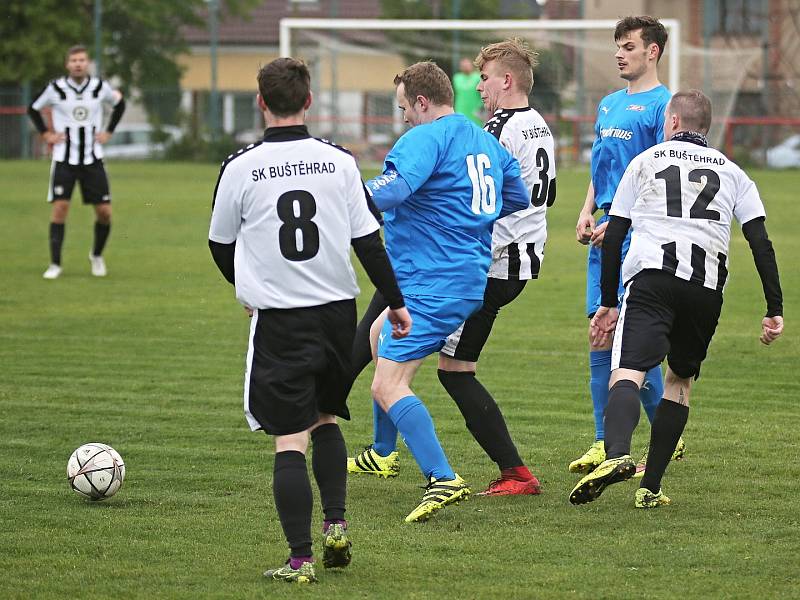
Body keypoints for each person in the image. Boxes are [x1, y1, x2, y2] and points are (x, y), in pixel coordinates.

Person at [208, 57, 411, 583]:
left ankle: (300, 560)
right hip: (336, 315)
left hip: (280, 319)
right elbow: (368, 239)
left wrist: (245, 288)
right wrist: (394, 300)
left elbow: (219, 243)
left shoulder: (239, 167)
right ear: (309, 101)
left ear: (260, 102)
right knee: (325, 417)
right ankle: (336, 526)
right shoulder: (339, 162)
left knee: (288, 438)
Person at [569, 89, 783, 508]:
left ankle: (616, 455)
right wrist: (773, 308)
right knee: (679, 381)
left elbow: (614, 236)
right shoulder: (734, 172)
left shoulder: (646, 161)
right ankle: (650, 488)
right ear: (706, 126)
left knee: (627, 370)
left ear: (671, 122)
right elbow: (760, 242)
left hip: (652, 278)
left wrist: (609, 301)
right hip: (705, 289)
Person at [350, 61, 530, 523]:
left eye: (405, 108)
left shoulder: (424, 138)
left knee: (388, 384)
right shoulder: (484, 140)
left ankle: (442, 477)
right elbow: (516, 196)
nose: (404, 117)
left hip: (433, 280)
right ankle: (383, 452)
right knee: (376, 335)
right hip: (467, 275)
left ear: (423, 102)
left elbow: (389, 192)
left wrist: (340, 197)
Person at [436, 38, 556, 496]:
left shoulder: (500, 128)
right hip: (522, 259)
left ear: (506, 80)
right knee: (442, 361)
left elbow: (488, 205)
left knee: (450, 367)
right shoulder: (539, 125)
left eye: (484, 78)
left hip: (495, 263)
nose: (479, 87)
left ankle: (516, 473)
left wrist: (458, 254)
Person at [571, 16, 680, 477]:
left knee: (627, 339)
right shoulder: (609, 103)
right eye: (618, 45)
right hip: (605, 230)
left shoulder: (663, 105)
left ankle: (662, 436)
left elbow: (660, 176)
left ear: (652, 51)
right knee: (600, 332)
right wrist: (586, 209)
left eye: (629, 46)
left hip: (637, 233)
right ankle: (603, 441)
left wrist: (623, 222)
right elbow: (603, 169)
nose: (620, 53)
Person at [27, 44, 126, 280]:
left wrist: (109, 131)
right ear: (67, 64)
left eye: (82, 60)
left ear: (87, 62)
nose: (78, 64)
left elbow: (119, 104)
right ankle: (55, 264)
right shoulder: (55, 88)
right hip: (64, 159)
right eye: (74, 61)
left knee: (104, 212)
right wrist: (46, 134)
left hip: (93, 159)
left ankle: (97, 256)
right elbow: (33, 108)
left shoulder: (99, 87)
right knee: (60, 209)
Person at [452, 57, 484, 126]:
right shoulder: (457, 78)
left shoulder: (478, 77)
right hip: (461, 109)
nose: (465, 67)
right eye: (463, 66)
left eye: (467, 65)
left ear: (471, 66)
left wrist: (480, 107)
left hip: (475, 110)